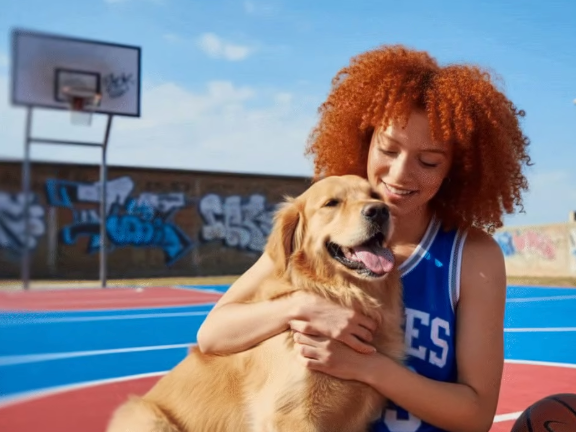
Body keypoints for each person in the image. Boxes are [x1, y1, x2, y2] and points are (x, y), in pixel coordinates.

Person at [196, 44, 532, 432]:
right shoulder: (319, 229)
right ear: (364, 139)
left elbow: (475, 416)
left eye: (428, 161)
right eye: (388, 149)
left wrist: (369, 367)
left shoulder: (472, 256)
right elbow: (212, 334)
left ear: (457, 169)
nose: (400, 174)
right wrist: (301, 306)